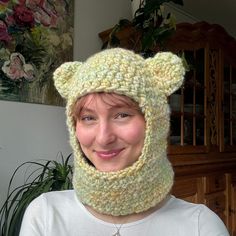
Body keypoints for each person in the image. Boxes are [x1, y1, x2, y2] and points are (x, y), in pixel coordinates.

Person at [19, 48, 229, 236]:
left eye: (122, 115)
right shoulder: (45, 214)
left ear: (154, 123)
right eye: (88, 118)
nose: (103, 137)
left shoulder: (201, 226)